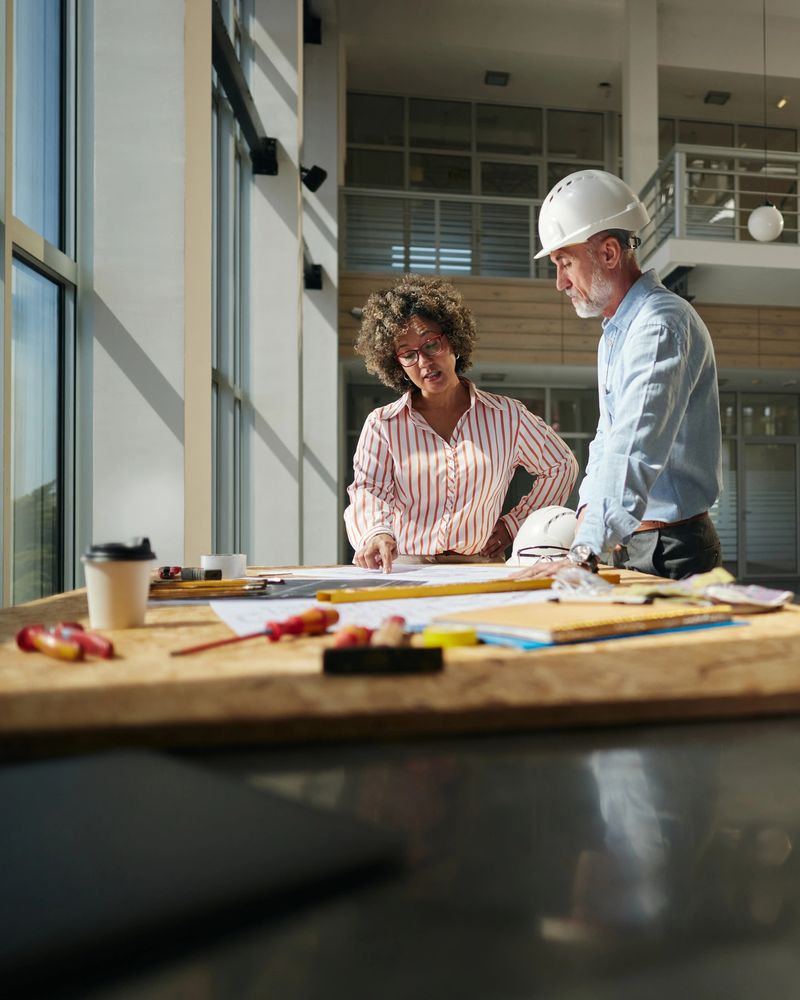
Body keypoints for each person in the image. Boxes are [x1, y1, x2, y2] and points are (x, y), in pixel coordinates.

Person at [519, 169, 723, 581]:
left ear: (609, 254)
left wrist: (585, 548)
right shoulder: (616, 332)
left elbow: (635, 446)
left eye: (565, 262)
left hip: (673, 549)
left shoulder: (658, 326)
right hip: (629, 543)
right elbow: (608, 440)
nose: (560, 282)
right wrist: (586, 526)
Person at [344, 274, 578, 572]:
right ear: (396, 364)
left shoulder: (508, 416)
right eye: (408, 354)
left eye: (431, 344)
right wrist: (376, 532)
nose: (424, 361)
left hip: (482, 567)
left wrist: (513, 525)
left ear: (453, 340)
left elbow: (560, 466)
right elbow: (368, 489)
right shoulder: (383, 424)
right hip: (408, 569)